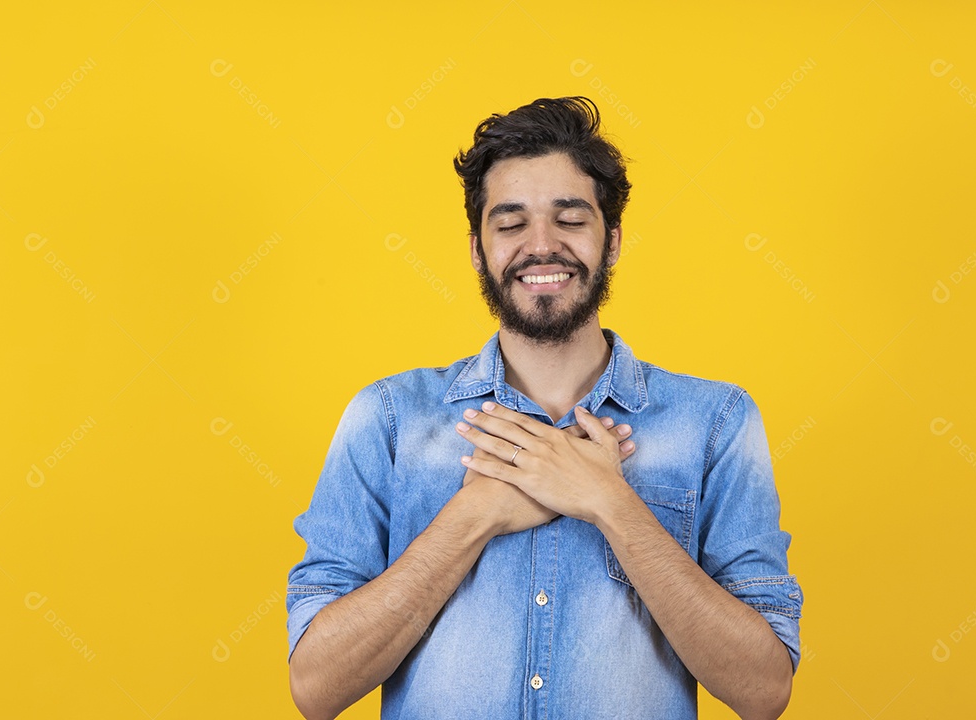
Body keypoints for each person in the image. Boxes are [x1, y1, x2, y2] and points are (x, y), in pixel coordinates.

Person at [286, 96, 803, 720]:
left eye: (570, 219)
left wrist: (612, 504)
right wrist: (472, 517)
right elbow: (316, 687)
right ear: (478, 249)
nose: (542, 246)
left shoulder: (716, 422)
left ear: (612, 242)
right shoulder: (388, 419)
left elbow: (764, 690)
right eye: (510, 224)